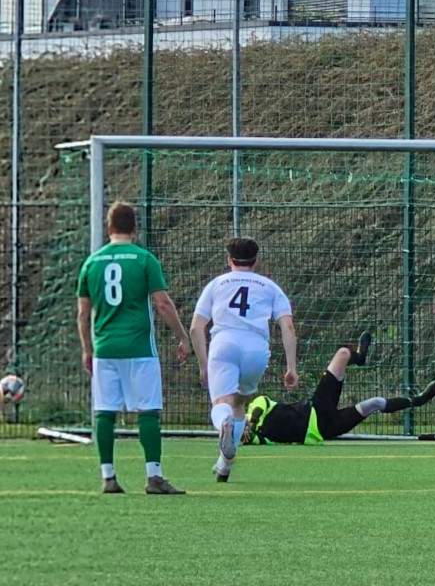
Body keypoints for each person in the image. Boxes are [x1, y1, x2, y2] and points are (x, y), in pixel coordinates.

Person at [76, 201, 191, 495]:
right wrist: (182, 337)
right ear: (135, 228)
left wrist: (87, 349)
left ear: (109, 227)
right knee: (148, 410)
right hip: (139, 347)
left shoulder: (92, 262)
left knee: (105, 412)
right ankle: (154, 477)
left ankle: (108, 477)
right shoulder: (143, 259)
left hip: (105, 349)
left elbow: (83, 313)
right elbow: (163, 303)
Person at [190, 237, 298, 483]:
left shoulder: (217, 284)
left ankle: (223, 424)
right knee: (238, 402)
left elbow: (196, 328)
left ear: (229, 260)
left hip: (224, 345)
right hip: (256, 350)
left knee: (221, 403)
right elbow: (288, 326)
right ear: (256, 260)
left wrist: (204, 364)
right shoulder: (269, 287)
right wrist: (291, 368)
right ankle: (224, 465)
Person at [240, 332, 435, 450]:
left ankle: (359, 358)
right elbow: (254, 441)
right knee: (375, 403)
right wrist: (245, 437)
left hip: (316, 410)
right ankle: (418, 400)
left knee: (343, 354)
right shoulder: (258, 439)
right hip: (326, 429)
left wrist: (251, 423)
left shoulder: (255, 409)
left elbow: (260, 406)